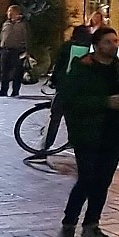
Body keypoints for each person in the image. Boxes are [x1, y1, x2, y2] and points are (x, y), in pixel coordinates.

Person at [58, 26, 119, 237]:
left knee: (103, 181)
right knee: (86, 179)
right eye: (108, 42)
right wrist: (105, 102)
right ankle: (68, 226)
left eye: (115, 41)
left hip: (113, 133)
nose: (113, 46)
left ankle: (92, 225)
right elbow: (71, 100)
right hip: (87, 133)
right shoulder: (82, 68)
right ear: (97, 45)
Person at [40, 25, 93, 156]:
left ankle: (45, 147)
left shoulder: (67, 46)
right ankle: (75, 143)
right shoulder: (90, 48)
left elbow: (59, 66)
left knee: (55, 117)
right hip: (82, 88)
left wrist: (53, 81)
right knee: (75, 118)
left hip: (65, 87)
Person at [0, 4, 28, 98]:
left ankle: (15, 91)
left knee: (17, 72)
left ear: (17, 14)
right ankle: (3, 90)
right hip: (5, 50)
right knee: (4, 72)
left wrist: (26, 51)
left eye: (11, 12)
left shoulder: (23, 25)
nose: (9, 14)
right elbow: (2, 36)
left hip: (18, 51)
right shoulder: (6, 24)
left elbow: (27, 38)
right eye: (8, 11)